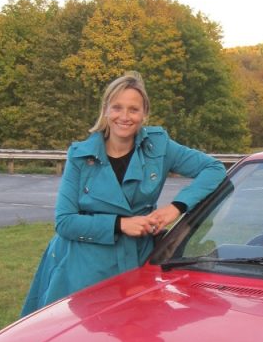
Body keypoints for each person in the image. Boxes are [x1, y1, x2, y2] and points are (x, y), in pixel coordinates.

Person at [20, 71, 226, 315]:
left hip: (137, 261)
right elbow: (65, 222)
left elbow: (213, 169)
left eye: (133, 109)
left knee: (135, 332)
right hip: (83, 265)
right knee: (80, 341)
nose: (125, 117)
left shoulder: (158, 146)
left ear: (144, 113)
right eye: (117, 107)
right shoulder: (79, 155)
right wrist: (119, 225)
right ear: (106, 110)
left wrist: (176, 208)